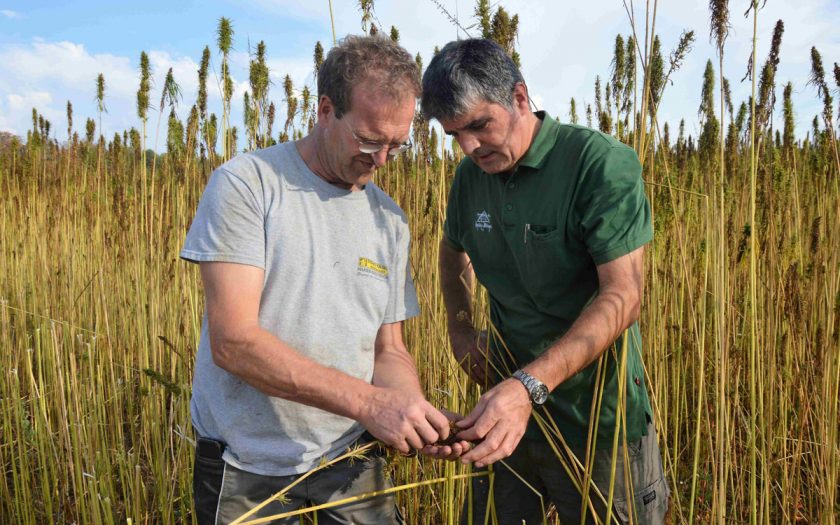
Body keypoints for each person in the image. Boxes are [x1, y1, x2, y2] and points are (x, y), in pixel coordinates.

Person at [181, 35, 461, 524]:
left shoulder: (389, 219)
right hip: (247, 463)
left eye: (397, 145)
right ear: (326, 110)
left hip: (349, 456)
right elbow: (234, 343)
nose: (381, 161)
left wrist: (411, 414)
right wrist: (371, 404)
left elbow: (388, 350)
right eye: (370, 140)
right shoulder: (248, 185)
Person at [420, 39, 669, 524]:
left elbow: (623, 295)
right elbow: (452, 250)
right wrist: (461, 330)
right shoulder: (470, 177)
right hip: (504, 418)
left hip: (598, 421)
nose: (469, 147)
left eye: (478, 125)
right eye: (454, 135)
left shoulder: (598, 164)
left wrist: (529, 385)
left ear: (519, 98)